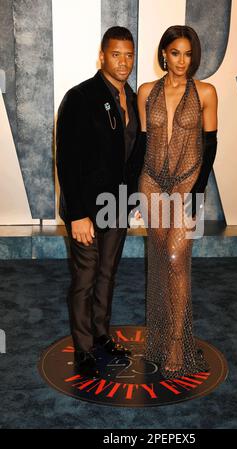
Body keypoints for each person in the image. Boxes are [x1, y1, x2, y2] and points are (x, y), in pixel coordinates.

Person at [56, 26, 142, 378]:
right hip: (87, 211)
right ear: (102, 56)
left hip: (117, 206)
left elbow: (134, 152)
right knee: (85, 279)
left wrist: (132, 197)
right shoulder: (80, 97)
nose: (123, 62)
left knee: (108, 275)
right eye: (116, 54)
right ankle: (83, 347)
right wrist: (77, 214)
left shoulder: (133, 98)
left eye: (129, 55)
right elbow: (66, 158)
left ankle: (102, 334)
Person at [137, 25, 218, 378]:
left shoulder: (206, 92)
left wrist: (198, 193)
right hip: (151, 181)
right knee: (158, 257)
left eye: (187, 54)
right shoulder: (145, 92)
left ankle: (174, 341)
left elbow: (211, 145)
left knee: (176, 257)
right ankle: (158, 332)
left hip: (188, 181)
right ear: (164, 54)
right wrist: (130, 190)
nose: (182, 61)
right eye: (175, 53)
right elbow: (140, 145)